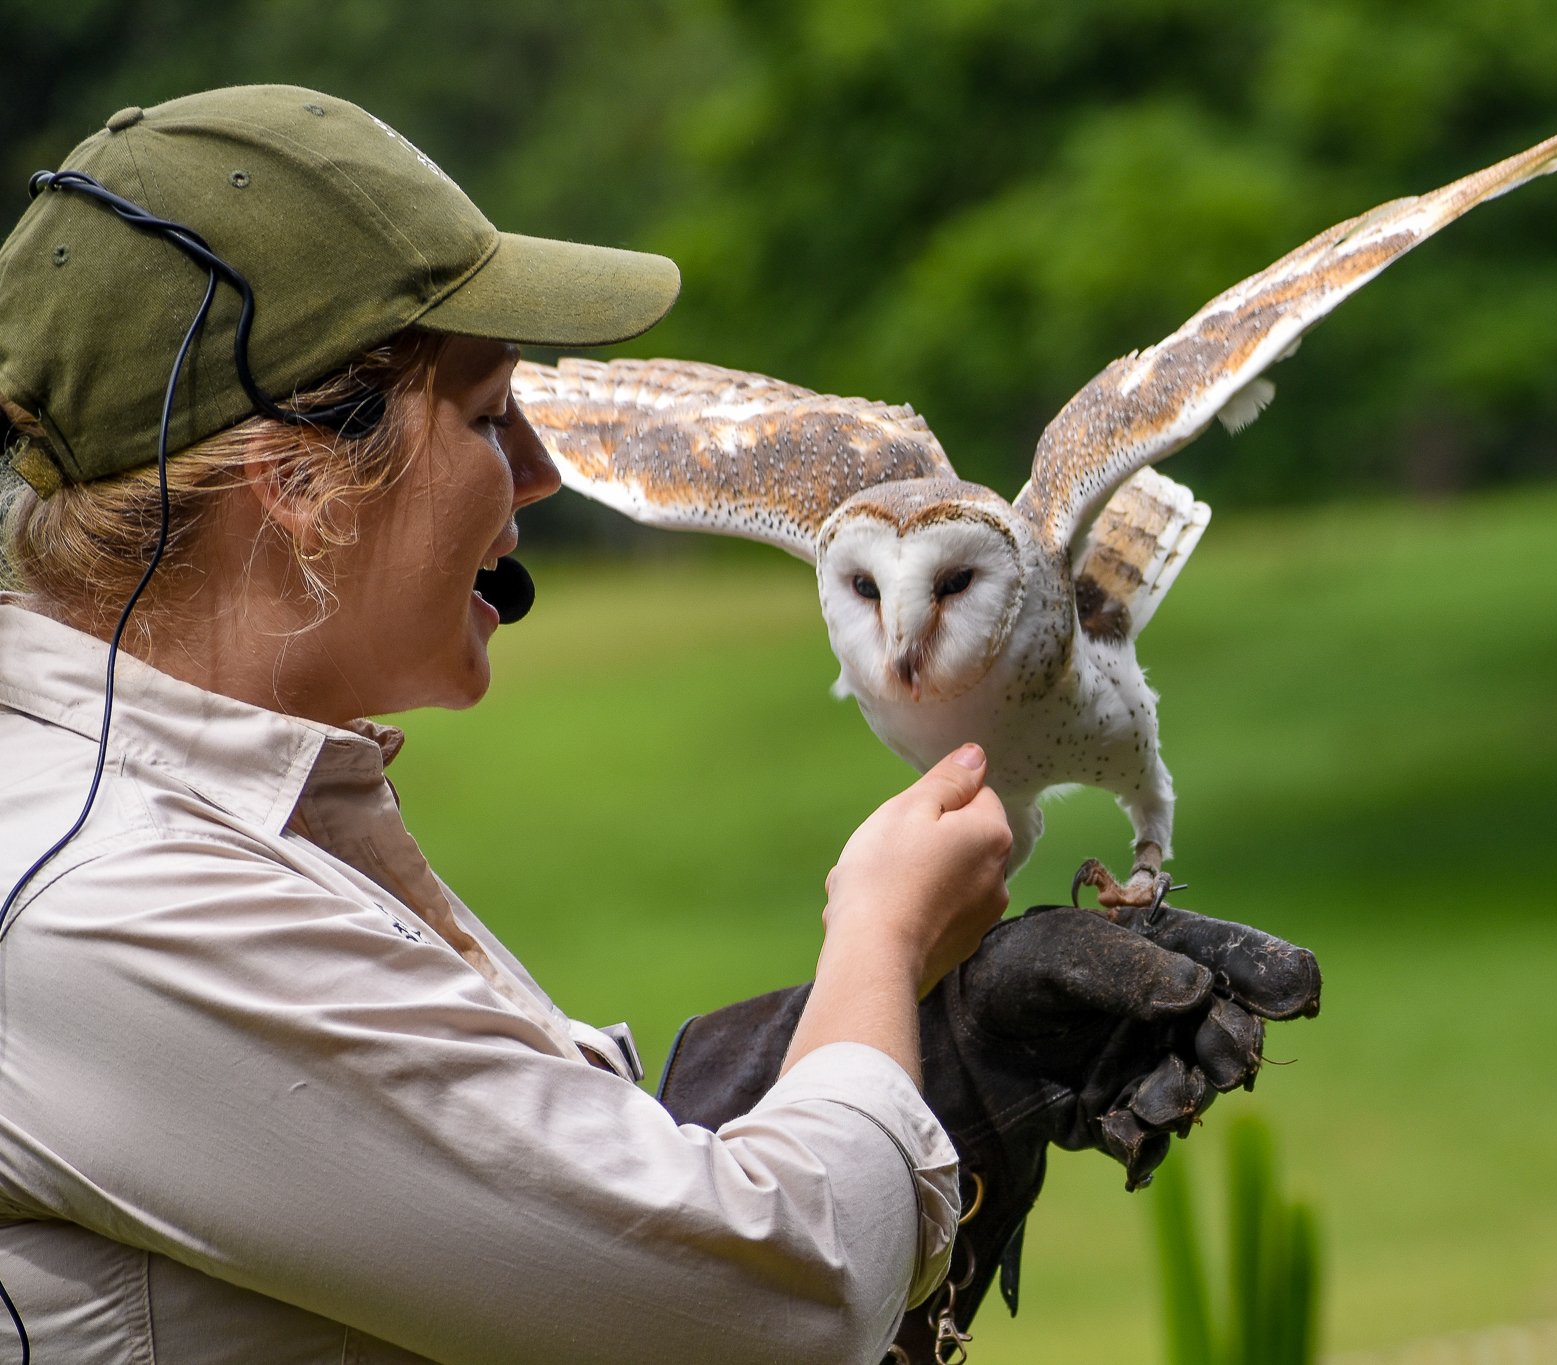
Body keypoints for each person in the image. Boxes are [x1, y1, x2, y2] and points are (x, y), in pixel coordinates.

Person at [0, 84, 1321, 1365]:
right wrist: (881, 934)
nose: (535, 470)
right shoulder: (120, 900)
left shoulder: (209, 805)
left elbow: (546, 1231)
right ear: (301, 481)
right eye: (481, 415)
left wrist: (924, 1024)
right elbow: (767, 1312)